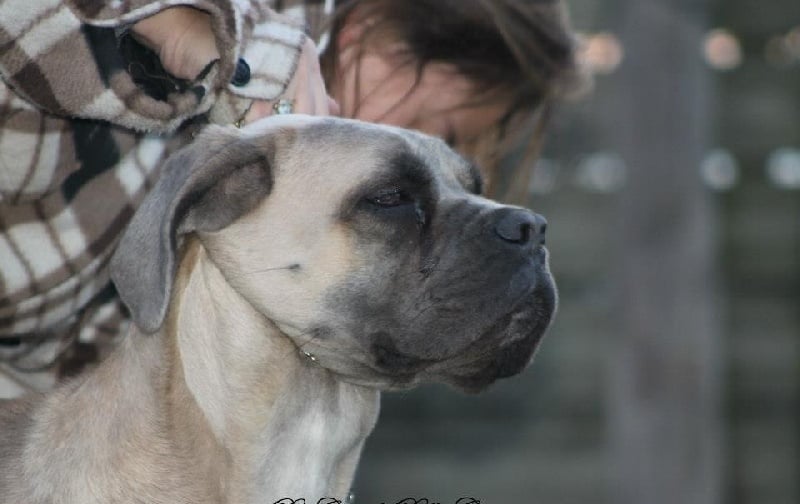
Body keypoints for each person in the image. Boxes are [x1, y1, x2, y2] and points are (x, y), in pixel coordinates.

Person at [0, 0, 582, 395]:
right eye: (441, 129)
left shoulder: (281, 259)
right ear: (367, 40)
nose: (431, 156)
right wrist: (249, 64)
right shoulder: (257, 33)